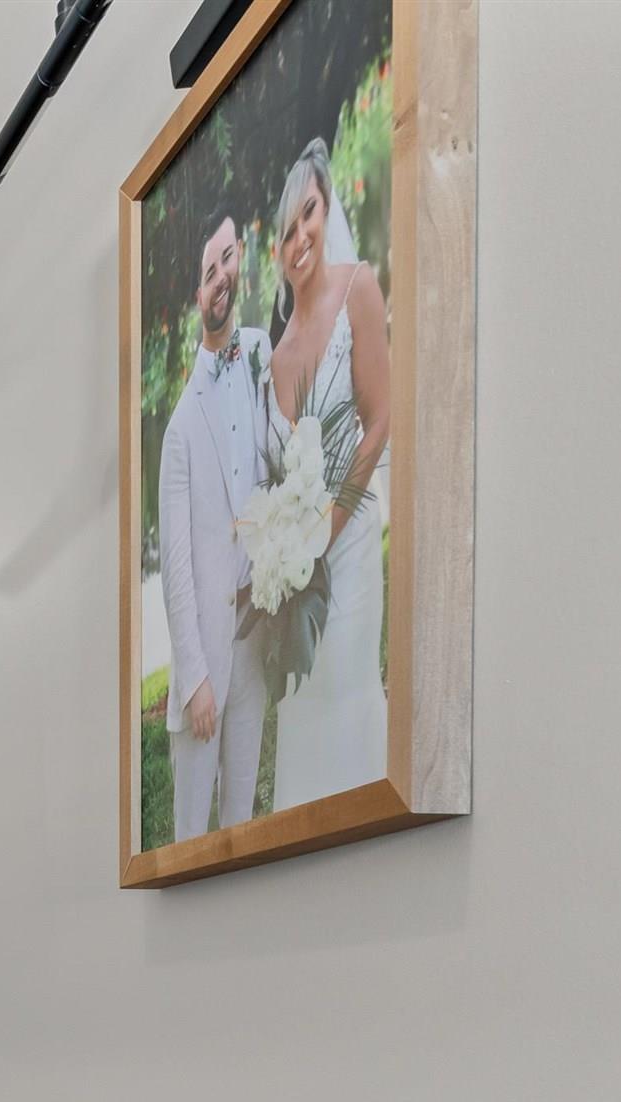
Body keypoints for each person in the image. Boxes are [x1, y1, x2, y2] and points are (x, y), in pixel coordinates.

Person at [264, 137, 391, 810]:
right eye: (287, 231)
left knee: (346, 690)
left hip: (352, 542)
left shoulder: (358, 287)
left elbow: (381, 420)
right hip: (300, 577)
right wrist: (284, 551)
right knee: (303, 706)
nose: (300, 237)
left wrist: (328, 527)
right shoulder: (278, 357)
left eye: (308, 213)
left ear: (328, 206)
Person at [154, 217, 272, 841]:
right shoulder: (179, 428)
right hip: (205, 659)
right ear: (198, 294)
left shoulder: (261, 354)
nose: (221, 275)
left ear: (240, 259)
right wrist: (194, 676)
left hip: (254, 637)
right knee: (191, 840)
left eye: (227, 258)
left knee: (242, 828)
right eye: (208, 271)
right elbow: (175, 568)